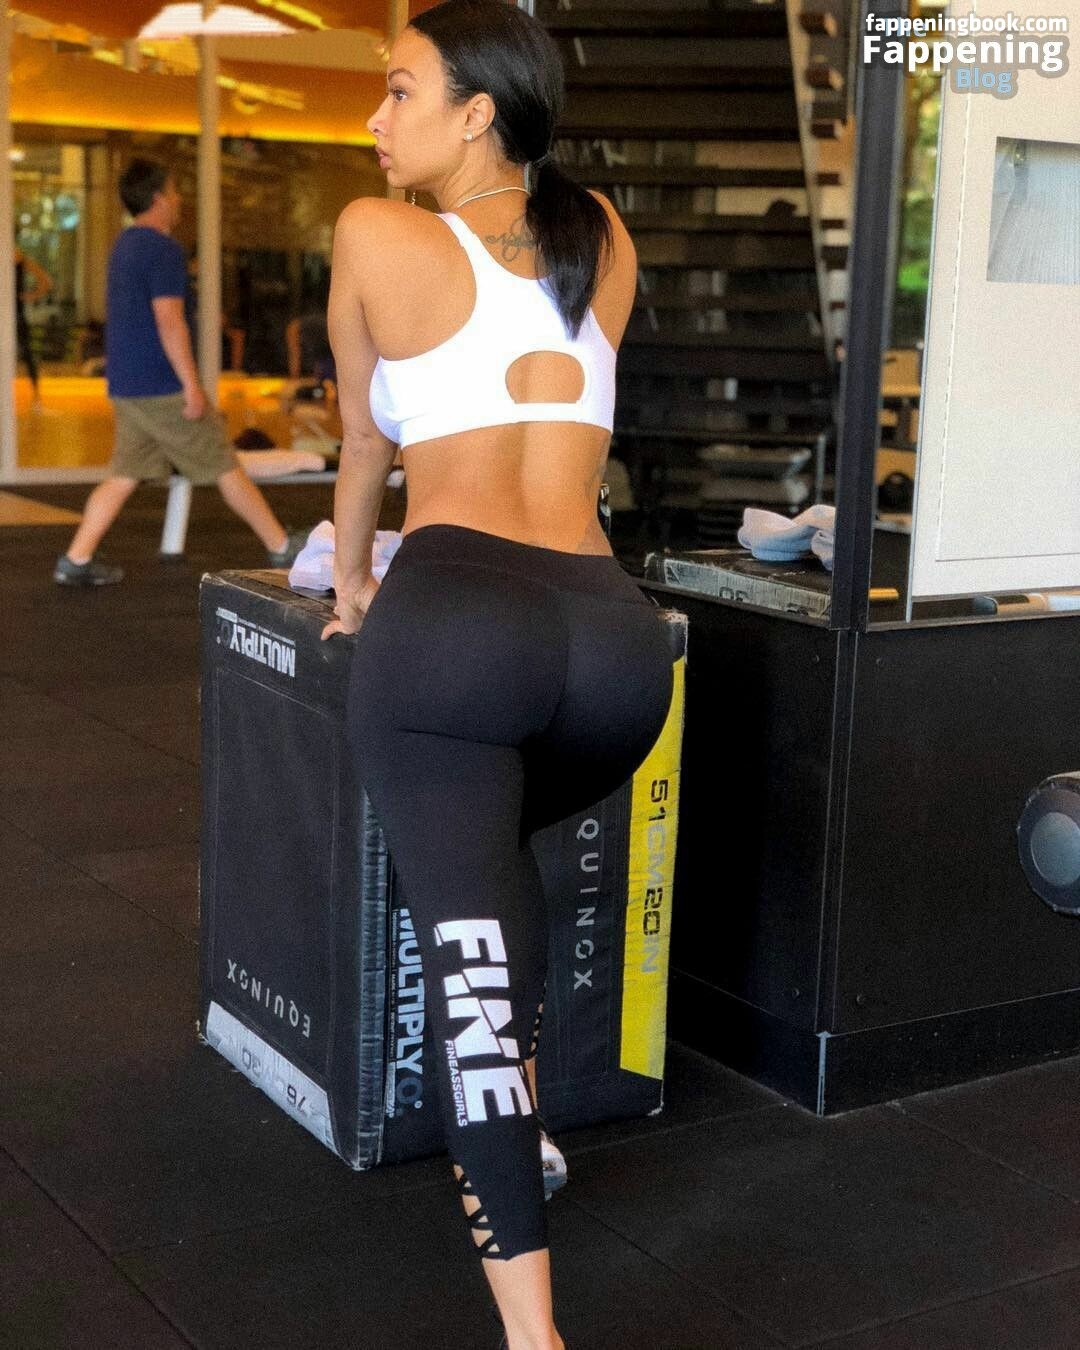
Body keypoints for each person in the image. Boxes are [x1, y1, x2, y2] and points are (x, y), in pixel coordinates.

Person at [320, 4, 674, 1346]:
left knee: (466, 975)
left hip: (459, 634)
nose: (375, 120)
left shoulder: (376, 234)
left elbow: (364, 444)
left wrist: (352, 588)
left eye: (399, 91)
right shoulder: (604, 236)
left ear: (476, 114)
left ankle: (535, 1337)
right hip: (615, 652)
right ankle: (526, 1124)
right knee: (492, 862)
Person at [54, 159, 305, 587]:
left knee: (124, 474)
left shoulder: (124, 245)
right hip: (161, 387)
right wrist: (191, 384)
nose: (179, 200)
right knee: (223, 463)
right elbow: (169, 321)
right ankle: (281, 545)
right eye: (173, 192)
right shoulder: (163, 250)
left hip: (128, 384)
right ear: (158, 199)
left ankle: (76, 559)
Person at [15, 245, 52, 410]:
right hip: (12, 313)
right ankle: (36, 396)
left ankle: (36, 396)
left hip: (15, 314)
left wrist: (29, 296)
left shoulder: (16, 256)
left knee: (27, 353)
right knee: (27, 353)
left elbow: (46, 281)